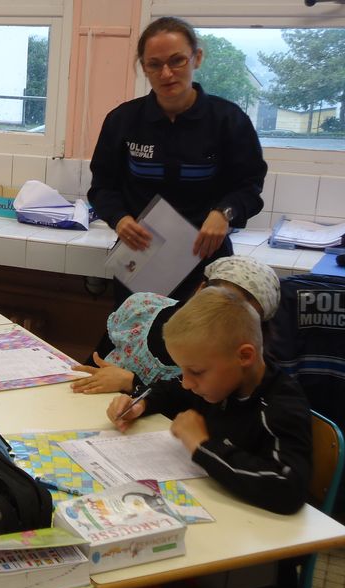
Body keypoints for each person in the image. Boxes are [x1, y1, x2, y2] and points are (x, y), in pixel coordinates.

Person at [88, 16, 267, 306]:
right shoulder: (122, 121)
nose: (166, 73)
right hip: (141, 259)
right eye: (154, 64)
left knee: (201, 336)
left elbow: (249, 186)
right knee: (135, 335)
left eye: (177, 60)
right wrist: (119, 219)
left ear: (197, 58)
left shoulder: (228, 120)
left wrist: (224, 213)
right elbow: (102, 187)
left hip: (207, 262)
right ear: (143, 67)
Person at [105, 286, 311, 516]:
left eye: (195, 372)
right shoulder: (219, 382)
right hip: (218, 506)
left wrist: (202, 445)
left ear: (244, 356)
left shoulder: (281, 406)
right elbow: (173, 390)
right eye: (183, 370)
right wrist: (141, 403)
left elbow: (288, 488)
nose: (186, 383)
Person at [72, 256, 280, 395]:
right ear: (200, 290)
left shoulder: (227, 366)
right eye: (217, 303)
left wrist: (132, 384)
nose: (220, 319)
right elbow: (94, 364)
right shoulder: (141, 309)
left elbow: (187, 408)